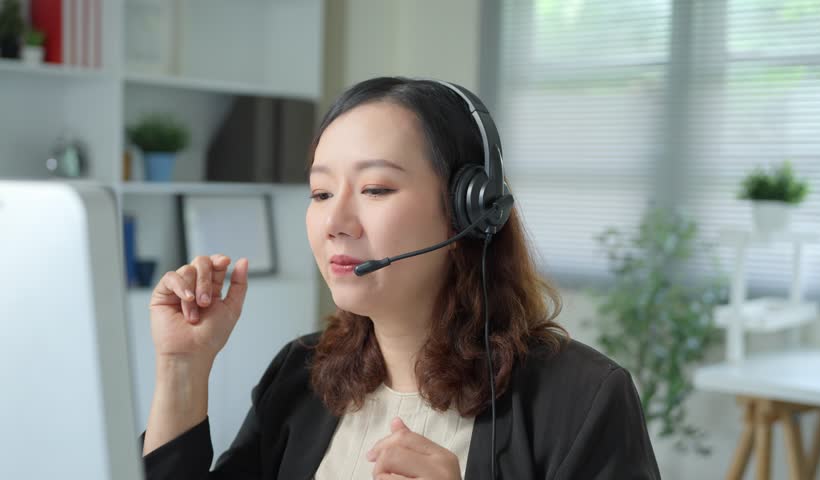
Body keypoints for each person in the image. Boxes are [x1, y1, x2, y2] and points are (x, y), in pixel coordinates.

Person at [140, 77, 661, 479]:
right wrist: (183, 368)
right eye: (321, 194)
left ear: (469, 209)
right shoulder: (300, 376)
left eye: (376, 189)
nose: (335, 223)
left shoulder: (583, 399)